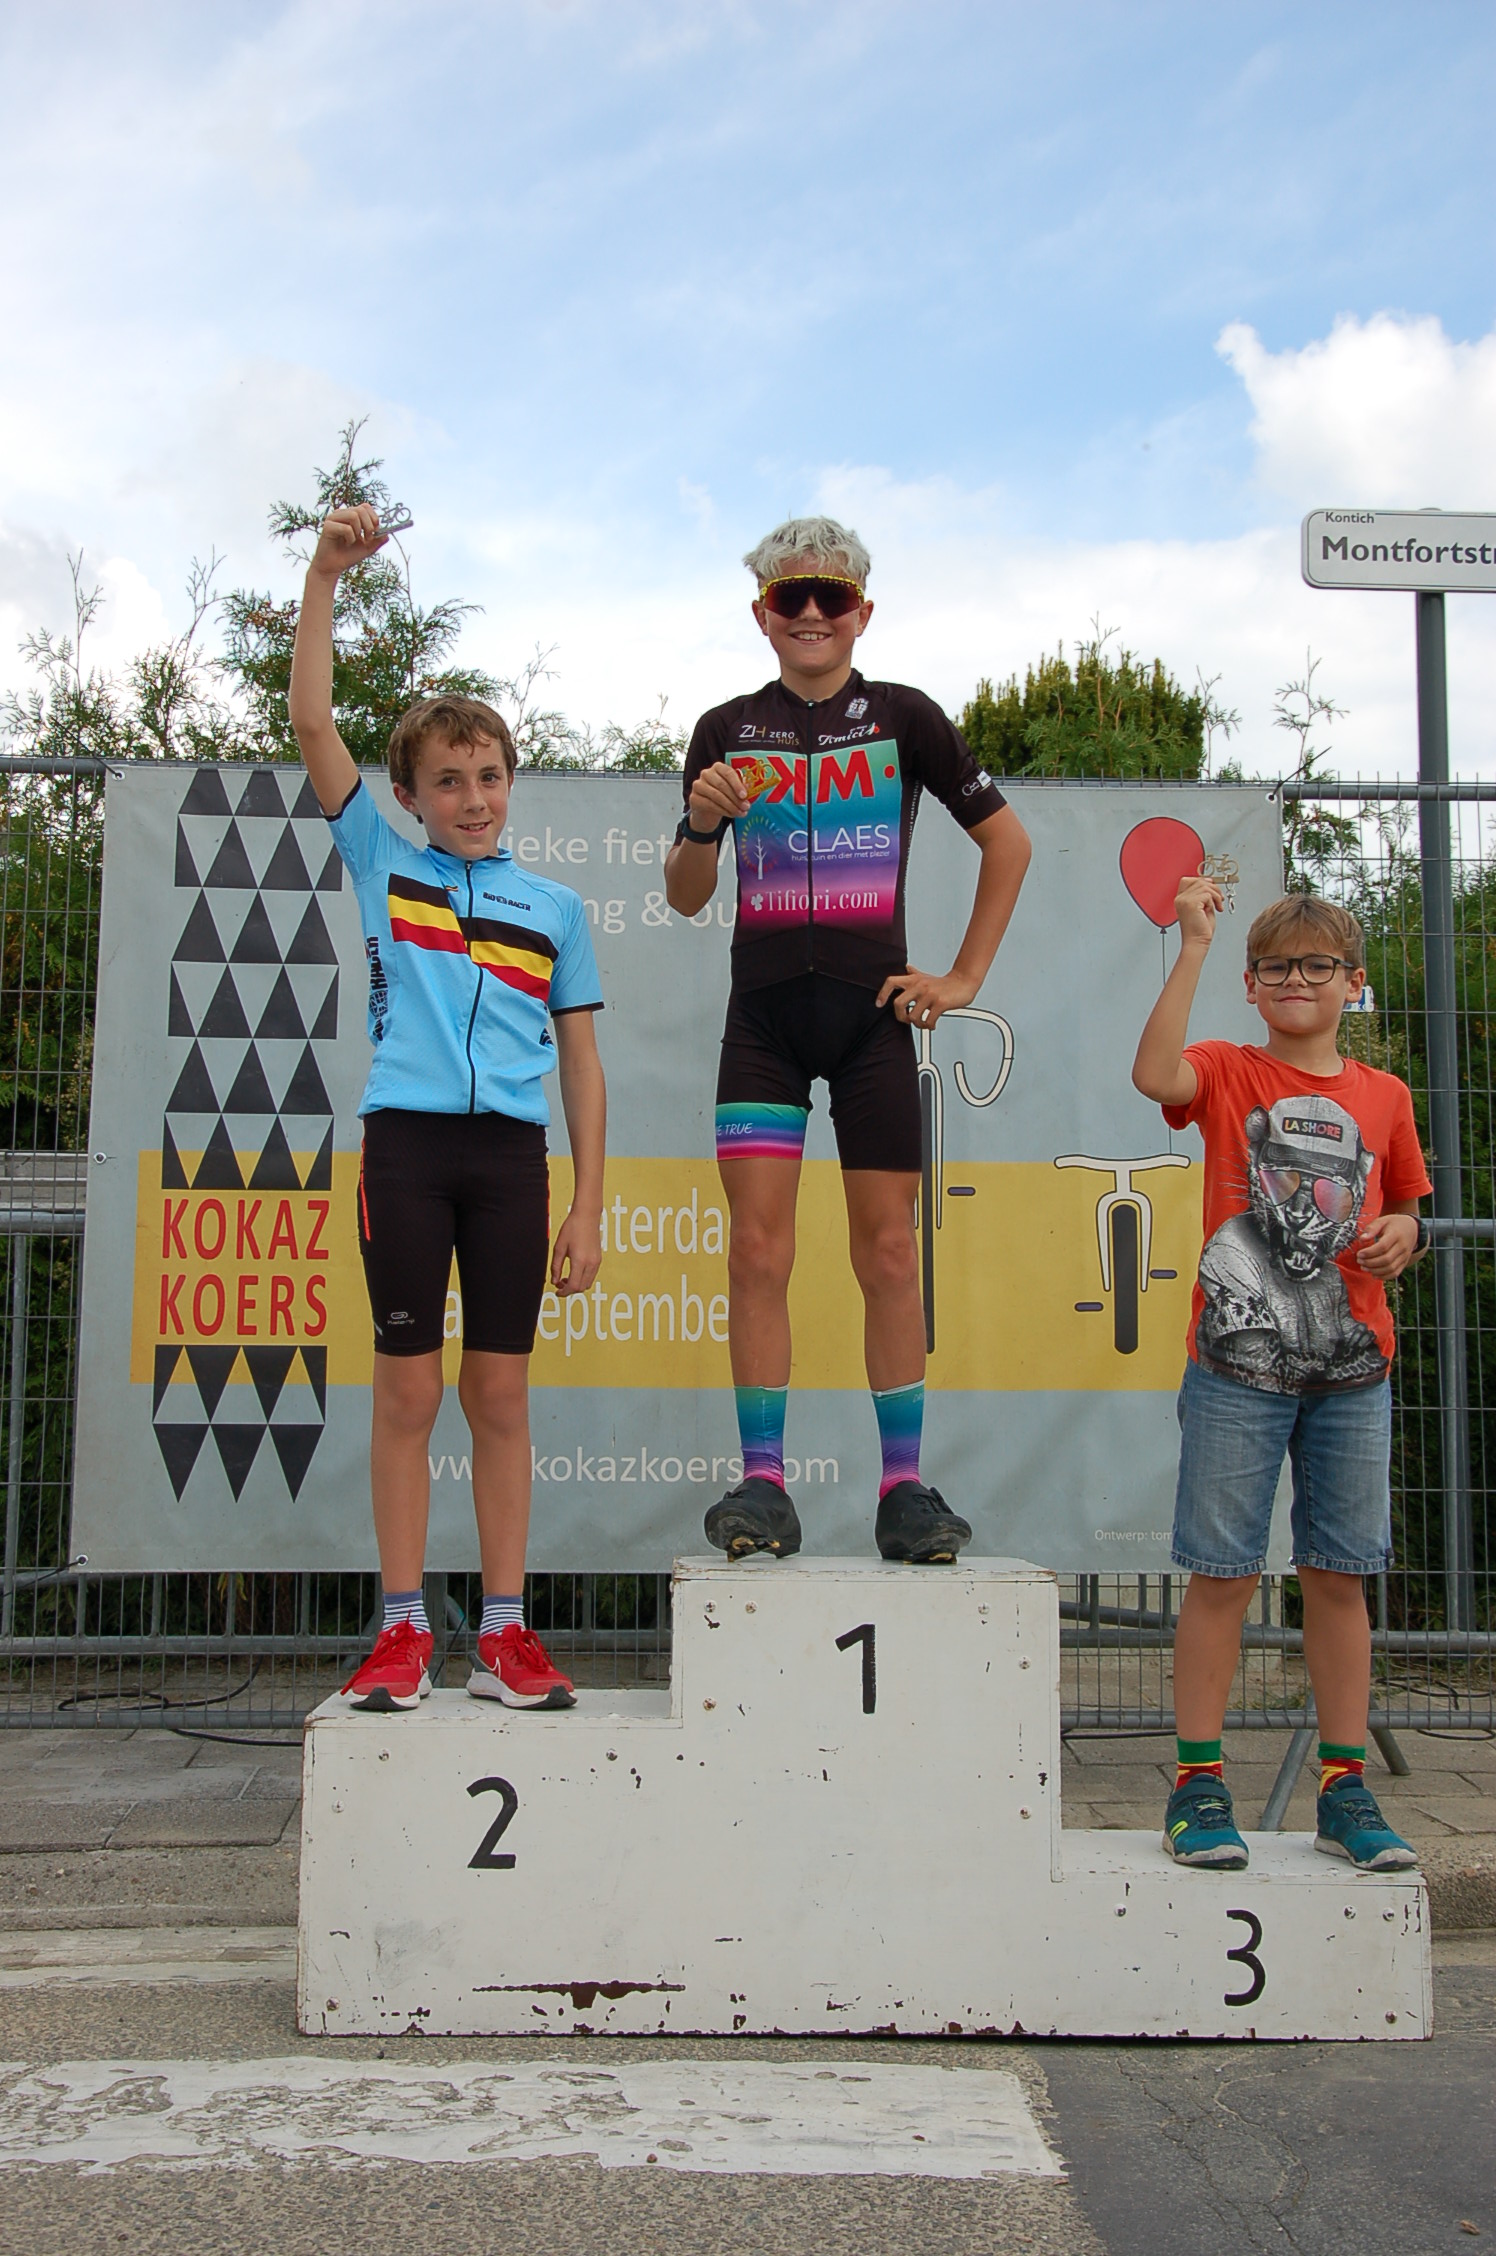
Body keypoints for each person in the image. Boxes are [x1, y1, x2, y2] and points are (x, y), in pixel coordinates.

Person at [664, 515, 1031, 1563]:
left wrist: (962, 979)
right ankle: (763, 1484)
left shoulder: (906, 717)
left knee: (888, 1252)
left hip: (872, 1025)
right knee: (756, 1250)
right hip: (763, 1025)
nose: (813, 613)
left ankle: (904, 1488)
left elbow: (1007, 843)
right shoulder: (725, 728)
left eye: (833, 597)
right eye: (793, 597)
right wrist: (700, 825)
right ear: (763, 614)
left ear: (863, 612)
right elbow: (685, 895)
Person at [289, 503, 606, 1713]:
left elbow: (581, 1066)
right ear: (409, 795)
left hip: (511, 1162)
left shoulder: (554, 911)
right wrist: (324, 576)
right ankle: (402, 1630)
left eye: (489, 777)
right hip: (408, 1151)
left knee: (501, 1393)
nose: (472, 799)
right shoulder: (383, 862)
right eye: (448, 782)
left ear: (509, 783)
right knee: (411, 1391)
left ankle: (507, 1635)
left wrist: (588, 1203)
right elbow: (311, 720)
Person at [1133, 879, 1429, 1871]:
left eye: (1315, 966)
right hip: (1233, 1375)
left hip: (1355, 1376)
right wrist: (1193, 946)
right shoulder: (1226, 1069)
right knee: (1222, 1576)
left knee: (1337, 1578)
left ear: (1353, 982)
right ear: (1251, 986)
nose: (1294, 981)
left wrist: (1408, 1233)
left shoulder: (1385, 1096)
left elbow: (1404, 1208)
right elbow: (1153, 1073)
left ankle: (1344, 1791)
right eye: (1274, 968)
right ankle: (1197, 1786)